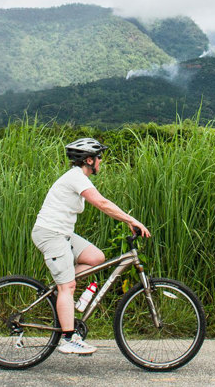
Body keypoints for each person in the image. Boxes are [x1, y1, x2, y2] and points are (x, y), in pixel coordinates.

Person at [31, 138, 151, 355]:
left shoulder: (78, 177)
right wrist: (131, 220)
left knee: (96, 258)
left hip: (63, 233)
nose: (101, 162)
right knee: (68, 287)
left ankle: (62, 285)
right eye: (99, 158)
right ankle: (68, 339)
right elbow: (102, 203)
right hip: (50, 234)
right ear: (88, 160)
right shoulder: (76, 177)